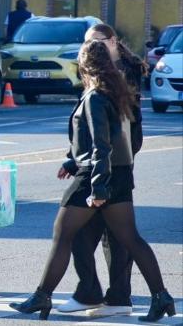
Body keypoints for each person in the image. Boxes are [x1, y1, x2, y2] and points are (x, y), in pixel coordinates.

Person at [10, 40, 175, 322]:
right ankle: (161, 296)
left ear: (84, 64)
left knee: (62, 233)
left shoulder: (95, 96)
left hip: (94, 176)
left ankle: (42, 296)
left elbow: (101, 144)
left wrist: (98, 187)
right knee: (131, 238)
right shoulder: (116, 91)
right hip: (119, 173)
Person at [59, 24, 148, 316]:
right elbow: (89, 128)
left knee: (105, 236)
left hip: (110, 165)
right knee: (111, 235)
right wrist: (73, 158)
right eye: (87, 43)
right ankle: (108, 295)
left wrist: (99, 171)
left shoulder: (120, 73)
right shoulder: (101, 72)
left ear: (112, 41)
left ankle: (104, 294)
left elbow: (108, 132)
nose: (90, 47)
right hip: (105, 164)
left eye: (97, 42)